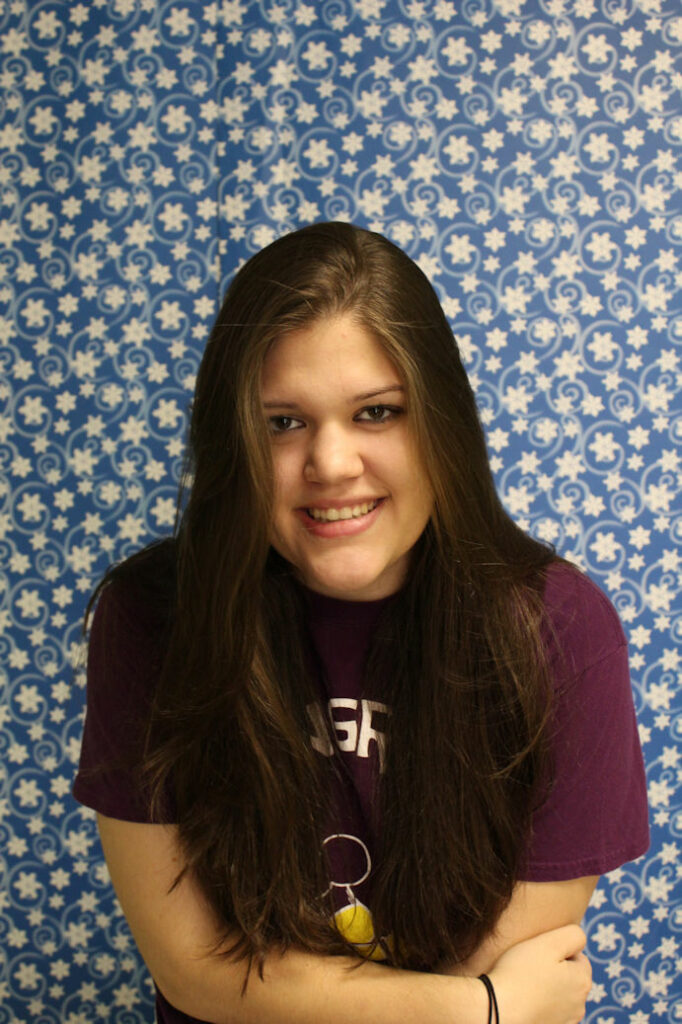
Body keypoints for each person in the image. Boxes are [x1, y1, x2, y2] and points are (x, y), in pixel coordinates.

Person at [73, 222, 649, 1024]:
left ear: (440, 424)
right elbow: (195, 968)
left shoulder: (560, 632)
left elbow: (519, 956)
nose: (331, 463)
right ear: (232, 440)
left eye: (376, 412)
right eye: (283, 422)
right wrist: (471, 1012)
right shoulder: (154, 618)